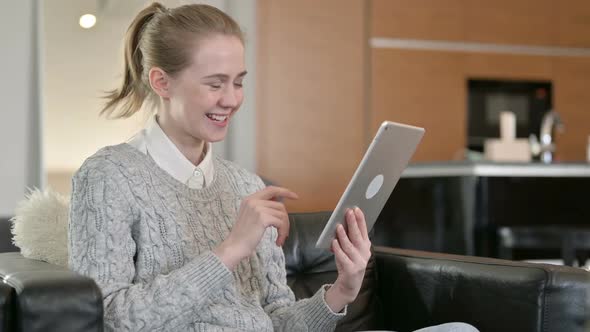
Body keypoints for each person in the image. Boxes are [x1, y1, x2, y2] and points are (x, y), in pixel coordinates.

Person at [68, 3, 478, 332]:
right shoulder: (107, 177)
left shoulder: (245, 184)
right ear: (162, 82)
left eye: (239, 81)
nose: (232, 99)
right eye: (215, 83)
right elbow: (110, 318)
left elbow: (280, 321)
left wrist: (341, 291)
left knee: (460, 329)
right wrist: (230, 250)